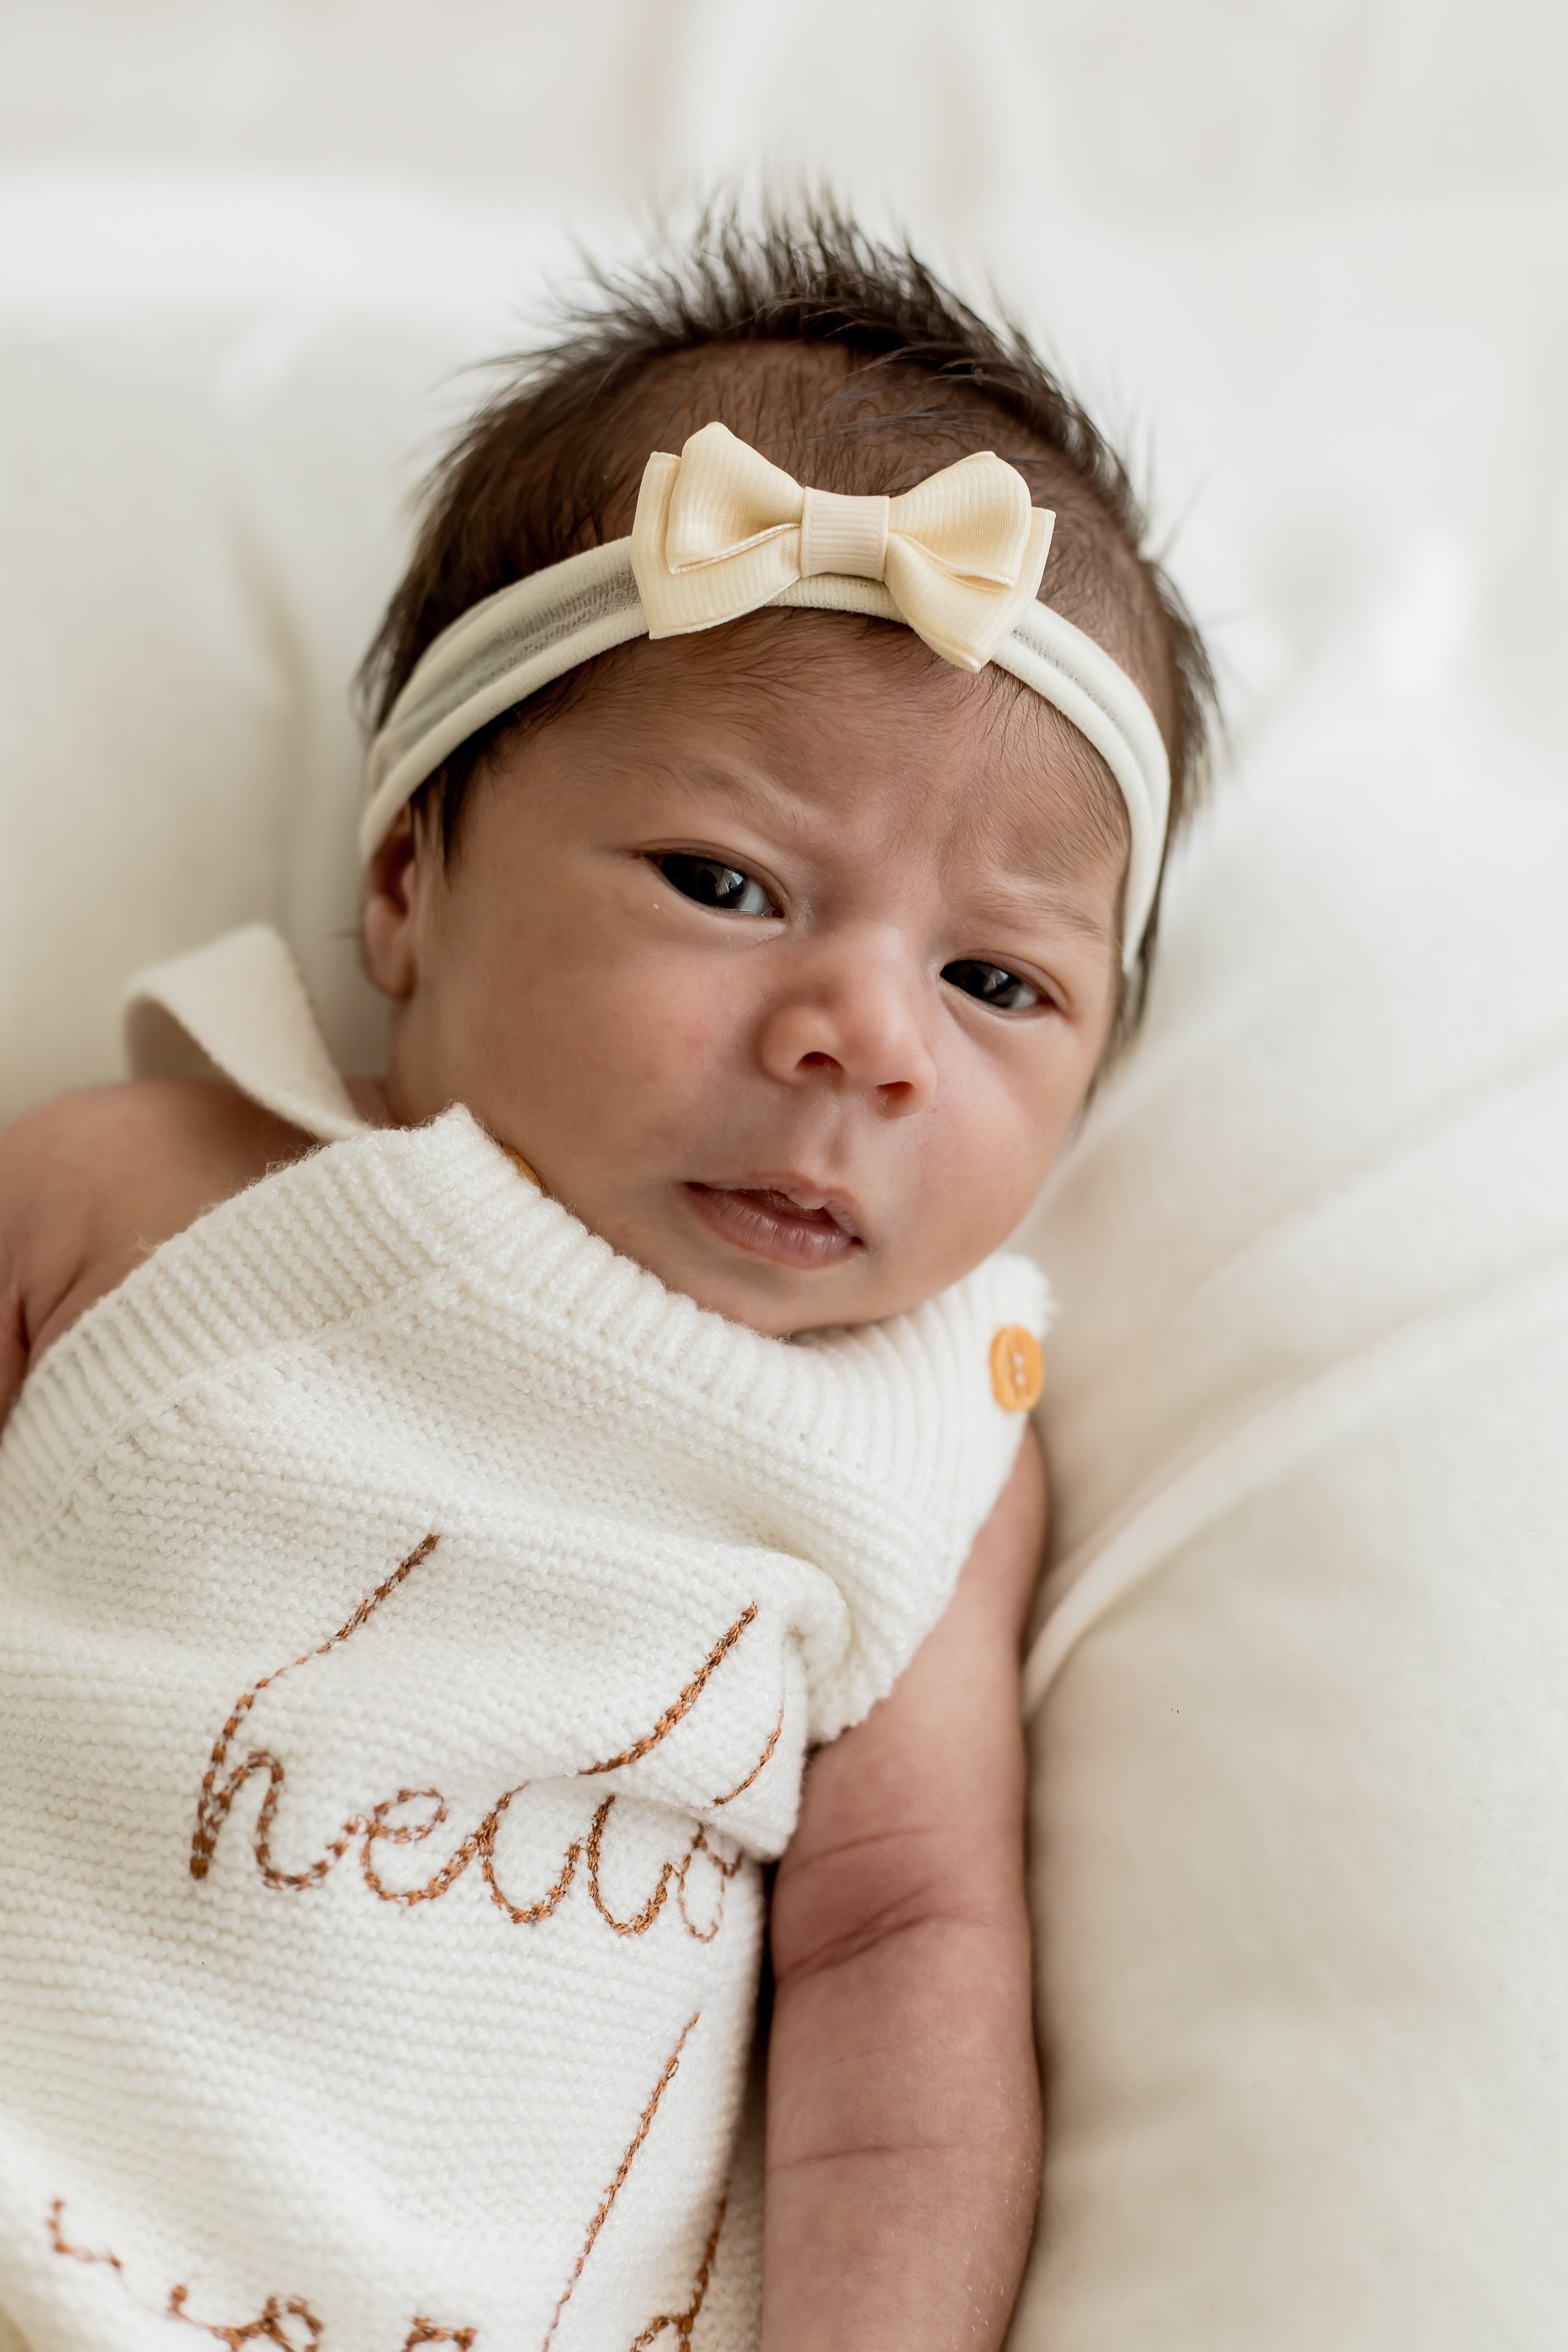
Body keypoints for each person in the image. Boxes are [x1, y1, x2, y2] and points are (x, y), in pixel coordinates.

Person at [0, 208, 1212, 2352]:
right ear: (407, 880)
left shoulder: (930, 1440)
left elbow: (903, 1951)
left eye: (996, 976)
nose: (866, 1035)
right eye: (728, 882)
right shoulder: (151, 1187)